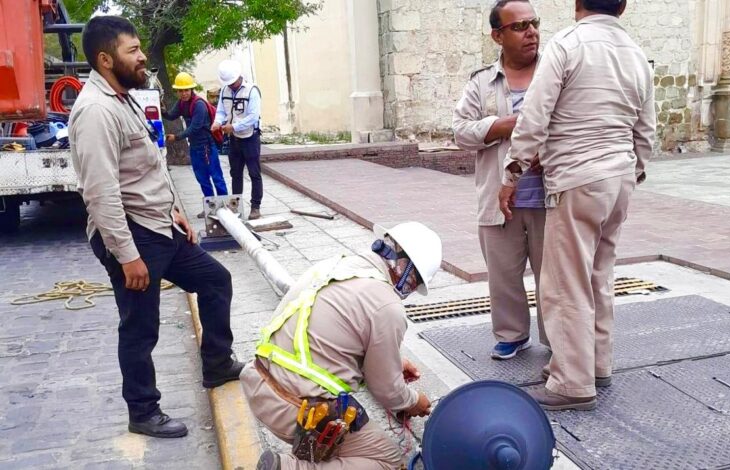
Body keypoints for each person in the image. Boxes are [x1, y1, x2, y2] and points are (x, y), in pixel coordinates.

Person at [69, 15, 245, 438]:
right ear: (105, 59)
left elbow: (148, 165)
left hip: (159, 224)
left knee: (216, 280)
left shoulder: (123, 96)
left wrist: (176, 211)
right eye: (133, 50)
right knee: (140, 325)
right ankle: (143, 412)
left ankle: (217, 365)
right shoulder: (95, 111)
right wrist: (127, 256)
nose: (143, 55)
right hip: (132, 234)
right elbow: (101, 193)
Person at [499, 0, 655, 410]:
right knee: (599, 275)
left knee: (565, 284)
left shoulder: (567, 44)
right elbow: (646, 127)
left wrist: (511, 176)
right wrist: (633, 171)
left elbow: (534, 118)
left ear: (576, 4)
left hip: (577, 177)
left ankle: (571, 382)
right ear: (621, 6)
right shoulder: (636, 54)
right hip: (618, 178)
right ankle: (597, 365)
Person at [241, 222, 442, 470]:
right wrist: (414, 401)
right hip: (291, 406)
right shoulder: (388, 306)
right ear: (408, 271)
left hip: (258, 378)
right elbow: (387, 391)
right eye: (415, 284)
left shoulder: (338, 264)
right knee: (388, 461)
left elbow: (338, 334)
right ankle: (288, 467)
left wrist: (394, 362)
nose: (410, 291)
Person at [453, 0, 549, 360]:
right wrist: (504, 124)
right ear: (498, 35)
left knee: (553, 278)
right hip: (499, 198)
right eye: (520, 26)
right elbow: (460, 131)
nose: (531, 32)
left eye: (534, 23)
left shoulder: (555, 73)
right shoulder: (482, 82)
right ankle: (512, 334)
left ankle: (557, 340)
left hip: (550, 197)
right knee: (503, 276)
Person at [163, 71, 228, 217]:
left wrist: (177, 137)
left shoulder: (199, 105)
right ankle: (211, 208)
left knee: (216, 177)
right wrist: (161, 109)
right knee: (202, 179)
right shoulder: (181, 103)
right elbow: (171, 115)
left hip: (206, 146)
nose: (184, 93)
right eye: (181, 90)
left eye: (186, 90)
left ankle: (225, 207)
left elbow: (195, 127)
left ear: (191, 89)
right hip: (195, 146)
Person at [211, 60, 263, 220]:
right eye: (229, 83)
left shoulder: (251, 91)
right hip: (234, 139)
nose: (231, 85)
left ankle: (255, 207)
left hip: (250, 137)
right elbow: (221, 110)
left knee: (254, 173)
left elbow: (253, 117)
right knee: (235, 173)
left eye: (233, 82)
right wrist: (217, 122)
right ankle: (236, 207)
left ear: (239, 76)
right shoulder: (225, 90)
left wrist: (234, 126)